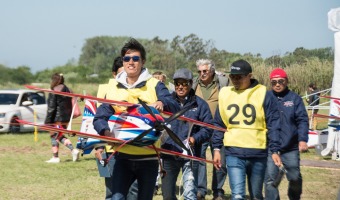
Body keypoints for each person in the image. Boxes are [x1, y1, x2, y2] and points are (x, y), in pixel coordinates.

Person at [93, 38, 179, 200]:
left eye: (135, 58)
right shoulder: (113, 87)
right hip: (122, 157)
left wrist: (162, 102)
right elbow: (99, 116)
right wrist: (105, 132)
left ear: (143, 61)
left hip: (148, 158)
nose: (130, 62)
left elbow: (173, 104)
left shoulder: (154, 85)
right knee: (116, 198)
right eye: (126, 59)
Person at [212, 59, 280, 200]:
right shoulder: (225, 94)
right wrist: (216, 149)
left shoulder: (263, 93)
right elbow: (219, 123)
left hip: (258, 152)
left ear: (249, 76)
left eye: (239, 77)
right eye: (232, 77)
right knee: (237, 195)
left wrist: (274, 150)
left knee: (256, 195)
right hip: (234, 151)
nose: (235, 80)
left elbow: (273, 124)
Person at [161, 68, 213, 200]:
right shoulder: (166, 102)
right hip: (169, 152)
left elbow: (208, 128)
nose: (180, 87)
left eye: (184, 83)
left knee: (190, 194)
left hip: (190, 154)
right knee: (167, 195)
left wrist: (195, 138)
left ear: (190, 84)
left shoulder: (200, 104)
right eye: (177, 83)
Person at [265, 68, 309, 200]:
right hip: (271, 148)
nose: (277, 84)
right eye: (274, 82)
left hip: (291, 146)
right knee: (270, 181)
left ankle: (294, 197)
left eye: (280, 81)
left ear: (286, 81)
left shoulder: (295, 99)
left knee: (294, 178)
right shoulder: (266, 97)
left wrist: (302, 139)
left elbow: (302, 120)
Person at [193, 59, 229, 200]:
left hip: (219, 127)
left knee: (220, 160)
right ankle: (201, 190)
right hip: (201, 128)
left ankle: (218, 190)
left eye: (205, 71)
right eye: (200, 71)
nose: (202, 74)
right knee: (199, 159)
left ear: (212, 71)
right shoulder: (194, 85)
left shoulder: (223, 83)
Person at [45, 73, 80, 163]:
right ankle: (72, 151)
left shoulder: (54, 90)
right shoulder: (68, 90)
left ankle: (56, 157)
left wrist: (48, 121)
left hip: (56, 119)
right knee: (59, 136)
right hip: (66, 119)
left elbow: (51, 107)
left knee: (54, 136)